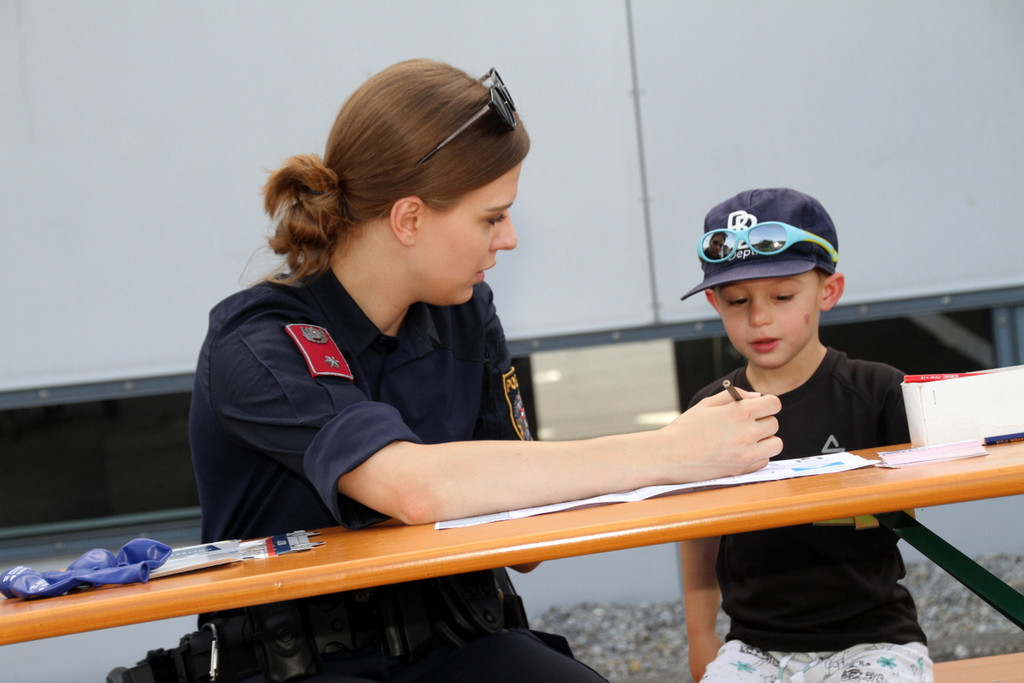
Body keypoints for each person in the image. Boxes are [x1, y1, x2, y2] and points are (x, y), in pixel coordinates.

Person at [109, 60, 782, 683]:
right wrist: (668, 451)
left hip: (458, 643)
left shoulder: (463, 313)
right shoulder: (261, 341)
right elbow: (413, 489)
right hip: (300, 666)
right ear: (408, 218)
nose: (508, 237)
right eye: (492, 216)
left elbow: (525, 541)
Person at [678, 188, 932, 683]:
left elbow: (915, 506)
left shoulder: (879, 391)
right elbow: (697, 534)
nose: (759, 318)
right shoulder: (710, 410)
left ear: (828, 292)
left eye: (782, 297)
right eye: (737, 301)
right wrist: (701, 635)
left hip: (877, 638)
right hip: (753, 646)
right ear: (714, 302)